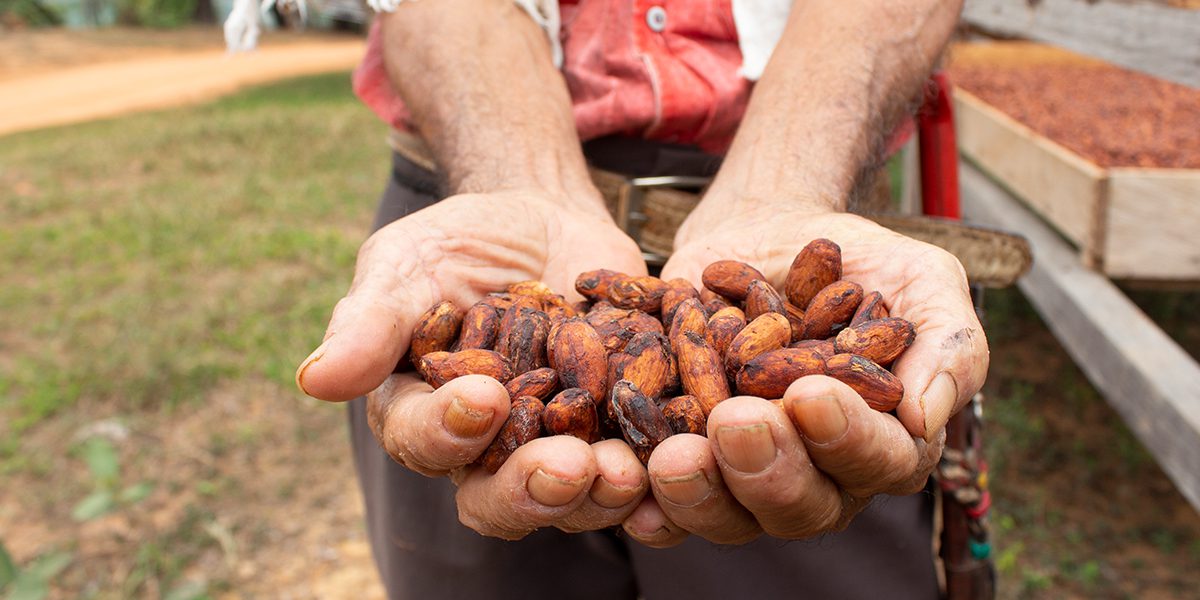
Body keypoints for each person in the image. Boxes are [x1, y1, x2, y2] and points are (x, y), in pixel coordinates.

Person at [295, 0, 989, 597]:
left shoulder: (760, 322)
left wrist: (788, 180)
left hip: (817, 190)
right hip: (472, 218)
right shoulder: (512, 320)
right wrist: (520, 178)